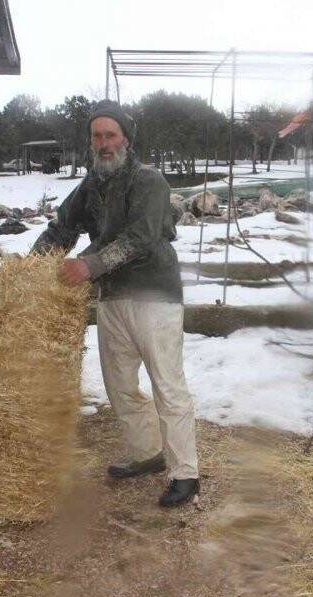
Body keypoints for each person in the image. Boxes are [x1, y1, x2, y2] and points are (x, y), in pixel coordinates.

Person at [30, 100, 199, 508]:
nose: (104, 143)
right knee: (119, 385)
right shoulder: (92, 185)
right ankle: (148, 453)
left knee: (167, 384)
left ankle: (186, 473)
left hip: (154, 295)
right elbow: (62, 227)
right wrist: (30, 268)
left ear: (126, 139)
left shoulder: (149, 181)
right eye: (97, 136)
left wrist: (88, 266)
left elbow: (141, 238)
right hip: (112, 296)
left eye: (111, 135)